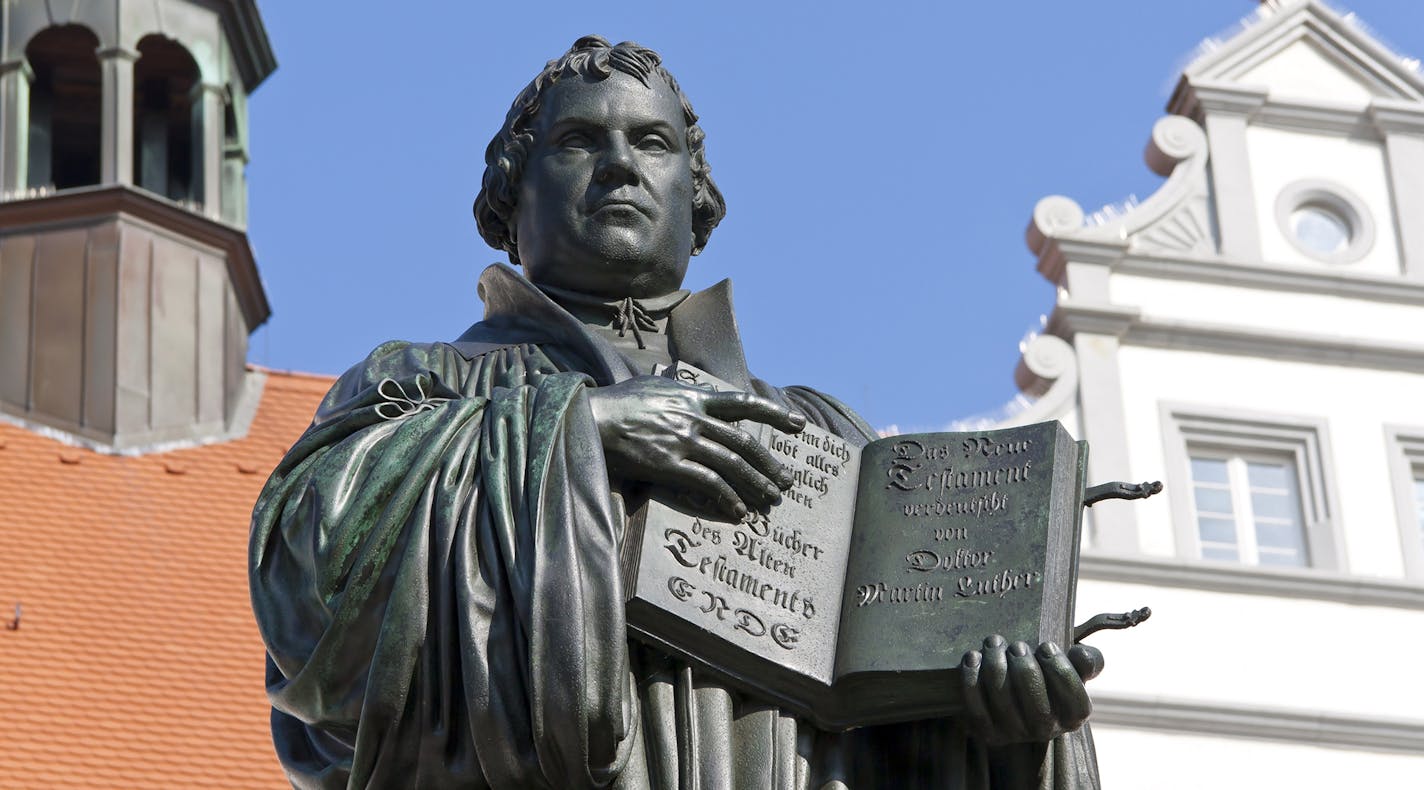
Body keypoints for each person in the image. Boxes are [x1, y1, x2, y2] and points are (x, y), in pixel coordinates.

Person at [250, 36, 1103, 789]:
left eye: (651, 142)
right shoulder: (425, 383)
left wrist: (1005, 739)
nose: (619, 163)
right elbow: (306, 585)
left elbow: (889, 737)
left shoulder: (825, 438)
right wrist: (585, 432)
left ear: (696, 203)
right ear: (512, 199)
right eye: (579, 140)